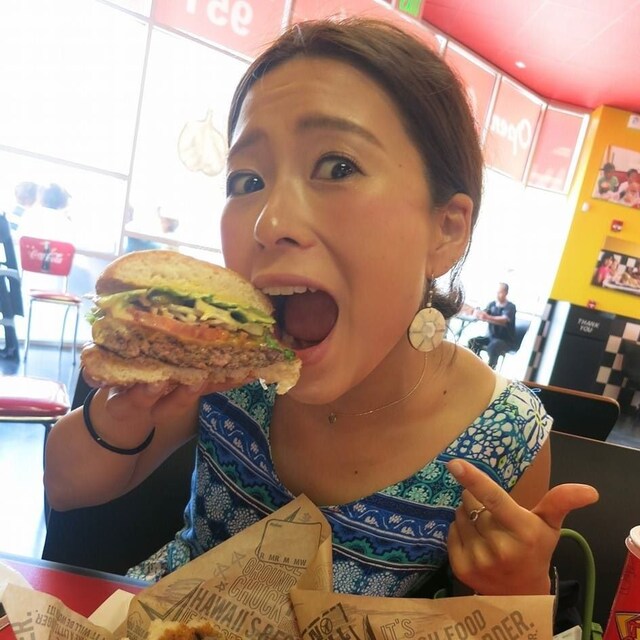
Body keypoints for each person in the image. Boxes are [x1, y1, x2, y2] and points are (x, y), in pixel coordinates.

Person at [44, 18, 597, 599]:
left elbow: (494, 619)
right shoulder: (227, 367)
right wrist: (123, 418)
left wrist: (518, 585)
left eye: (338, 167)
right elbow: (66, 488)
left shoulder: (504, 434)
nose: (270, 222)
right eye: (247, 180)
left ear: (446, 229)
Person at [467, 283, 517, 369]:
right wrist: (478, 313)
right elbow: (484, 314)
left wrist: (487, 317)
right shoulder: (492, 304)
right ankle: (475, 365)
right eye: (497, 292)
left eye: (500, 292)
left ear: (506, 293)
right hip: (490, 337)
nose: (497, 295)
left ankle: (491, 369)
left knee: (493, 347)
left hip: (505, 341)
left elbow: (504, 320)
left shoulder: (511, 307)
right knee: (472, 342)